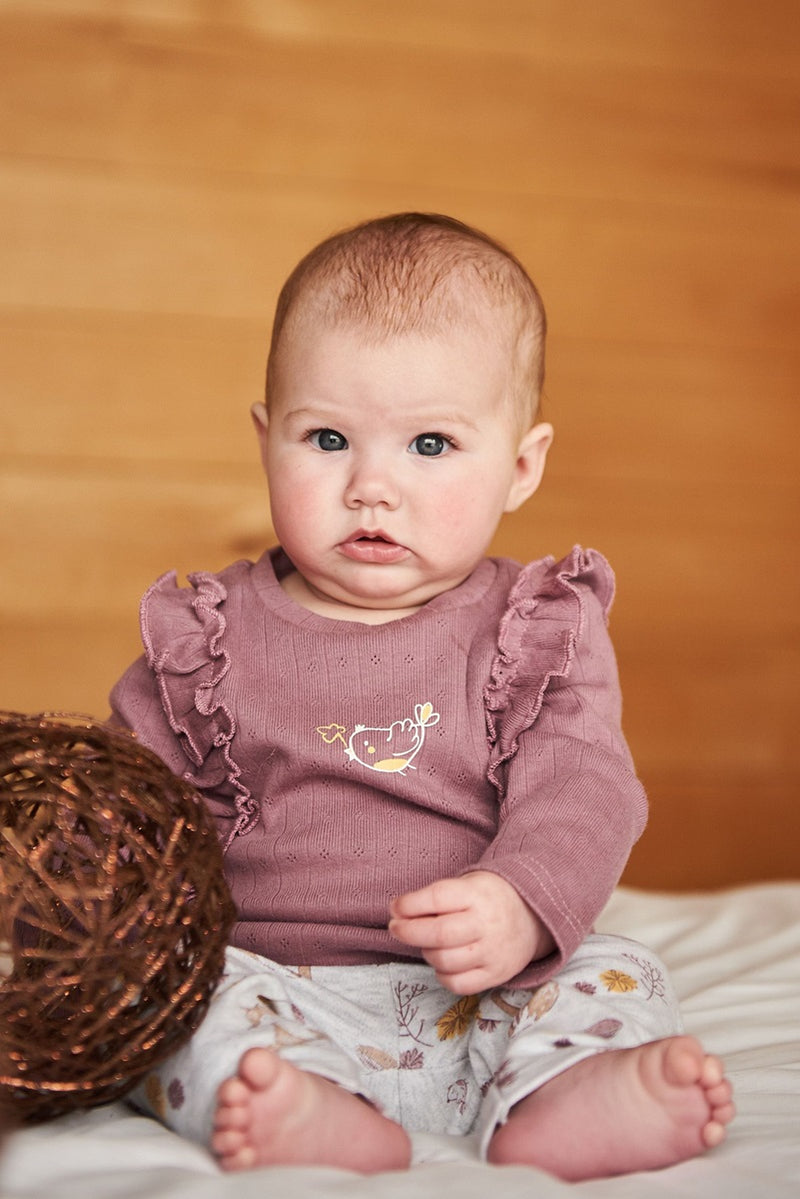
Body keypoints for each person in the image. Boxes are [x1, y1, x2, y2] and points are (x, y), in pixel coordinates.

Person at [109, 212, 734, 1180]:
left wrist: (523, 902)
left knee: (614, 968)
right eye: (325, 437)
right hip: (274, 979)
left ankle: (562, 1091)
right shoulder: (205, 635)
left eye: (430, 445)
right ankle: (302, 1104)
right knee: (169, 1000)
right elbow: (127, 808)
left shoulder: (534, 628)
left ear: (520, 466)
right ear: (264, 437)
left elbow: (585, 789)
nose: (370, 486)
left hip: (481, 982)